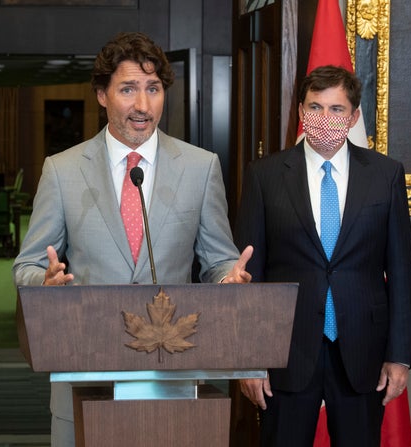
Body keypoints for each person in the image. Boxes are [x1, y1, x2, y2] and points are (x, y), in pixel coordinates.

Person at [13, 31, 252, 446]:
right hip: (85, 375)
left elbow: (217, 261)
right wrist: (44, 284)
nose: (142, 106)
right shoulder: (62, 170)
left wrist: (228, 282)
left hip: (174, 378)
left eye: (153, 89)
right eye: (128, 89)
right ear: (102, 95)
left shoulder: (201, 168)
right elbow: (27, 266)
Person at [234, 65, 411, 446]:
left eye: (336, 110)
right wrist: (250, 360)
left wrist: (400, 356)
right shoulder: (264, 176)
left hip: (362, 351)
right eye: (315, 107)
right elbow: (250, 276)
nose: (324, 118)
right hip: (286, 351)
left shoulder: (385, 175)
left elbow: (401, 271)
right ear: (301, 112)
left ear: (353, 117)